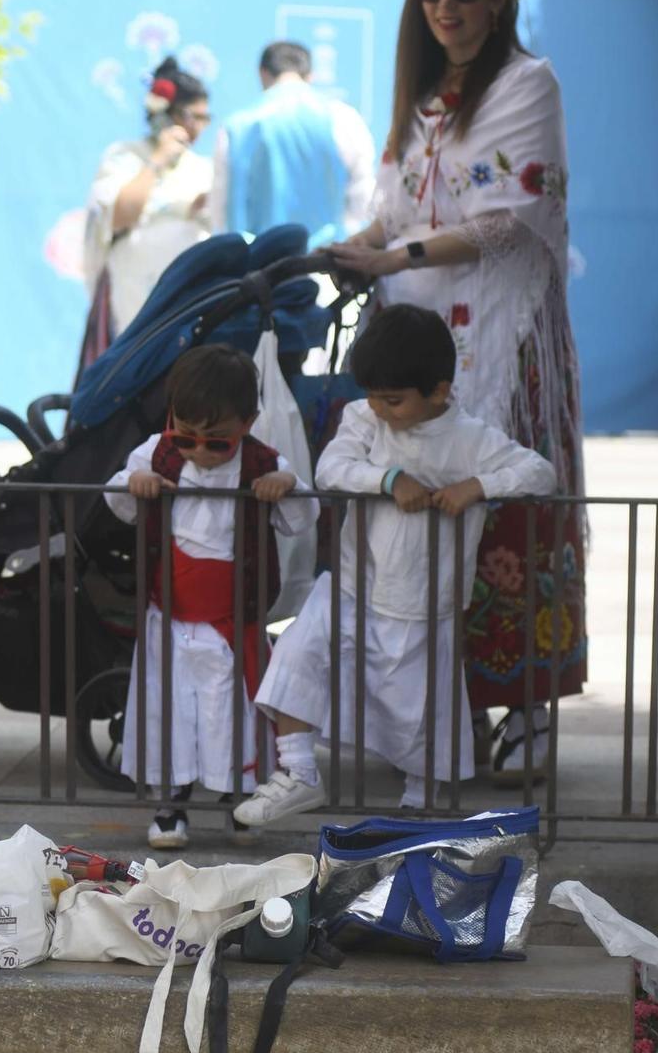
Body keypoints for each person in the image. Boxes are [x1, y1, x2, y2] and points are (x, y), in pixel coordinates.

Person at [329, 0, 585, 783]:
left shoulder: (526, 83)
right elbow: (399, 210)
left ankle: (529, 710)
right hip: (416, 345)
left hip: (502, 347)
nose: (446, 5)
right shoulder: (422, 95)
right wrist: (356, 247)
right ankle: (447, 711)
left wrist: (390, 253)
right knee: (419, 526)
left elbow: (510, 220)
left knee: (508, 516)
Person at [236, 305, 556, 820]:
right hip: (350, 585)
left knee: (420, 707)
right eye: (373, 396)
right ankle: (297, 771)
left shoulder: (470, 438)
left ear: (439, 391)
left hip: (425, 601)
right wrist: (389, 480)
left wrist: (476, 487)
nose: (381, 409)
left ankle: (419, 800)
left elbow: (539, 473)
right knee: (298, 654)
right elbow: (332, 467)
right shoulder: (364, 417)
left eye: (394, 399)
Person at [106, 345, 318, 849]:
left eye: (216, 442)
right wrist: (134, 483)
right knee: (171, 712)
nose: (199, 451)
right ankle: (171, 802)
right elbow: (116, 499)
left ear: (247, 422)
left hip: (233, 620)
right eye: (187, 437)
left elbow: (302, 517)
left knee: (234, 716)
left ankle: (240, 805)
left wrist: (284, 484)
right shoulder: (155, 451)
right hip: (170, 618)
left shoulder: (264, 460)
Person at [80, 56, 215, 364]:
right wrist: (157, 160)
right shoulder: (125, 156)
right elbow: (120, 215)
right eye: (191, 116)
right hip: (133, 293)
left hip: (188, 294)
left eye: (203, 118)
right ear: (166, 114)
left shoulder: (204, 168)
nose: (197, 127)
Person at [209, 41, 378, 248]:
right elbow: (363, 196)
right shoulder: (343, 118)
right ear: (310, 75)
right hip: (325, 261)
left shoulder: (236, 127)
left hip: (257, 264)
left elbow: (221, 207)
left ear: (262, 73)